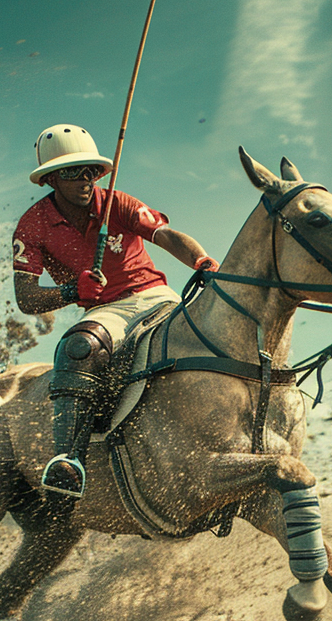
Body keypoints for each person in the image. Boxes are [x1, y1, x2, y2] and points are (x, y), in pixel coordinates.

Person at [13, 124, 216, 498]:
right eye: (74, 172)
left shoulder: (116, 202)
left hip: (154, 296)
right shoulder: (33, 225)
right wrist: (74, 291)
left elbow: (166, 235)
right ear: (52, 179)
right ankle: (69, 462)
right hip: (107, 311)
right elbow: (26, 299)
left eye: (91, 170)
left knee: (211, 332)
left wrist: (199, 259)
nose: (86, 180)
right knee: (78, 349)